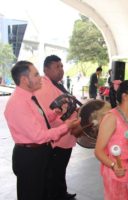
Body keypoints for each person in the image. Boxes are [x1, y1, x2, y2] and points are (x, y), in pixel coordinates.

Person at [4, 61, 80, 200]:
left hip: (39, 153)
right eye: (36, 74)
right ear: (24, 80)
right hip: (30, 157)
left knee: (43, 193)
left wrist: (54, 113)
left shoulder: (29, 98)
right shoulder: (18, 103)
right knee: (32, 195)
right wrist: (66, 126)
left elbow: (39, 121)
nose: (40, 78)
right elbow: (38, 136)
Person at [35, 55, 80, 200]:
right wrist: (64, 125)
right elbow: (46, 115)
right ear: (46, 69)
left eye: (61, 66)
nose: (61, 70)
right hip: (57, 138)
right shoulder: (43, 86)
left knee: (60, 169)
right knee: (54, 171)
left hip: (67, 134)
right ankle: (55, 196)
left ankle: (62, 193)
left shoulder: (57, 83)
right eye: (56, 67)